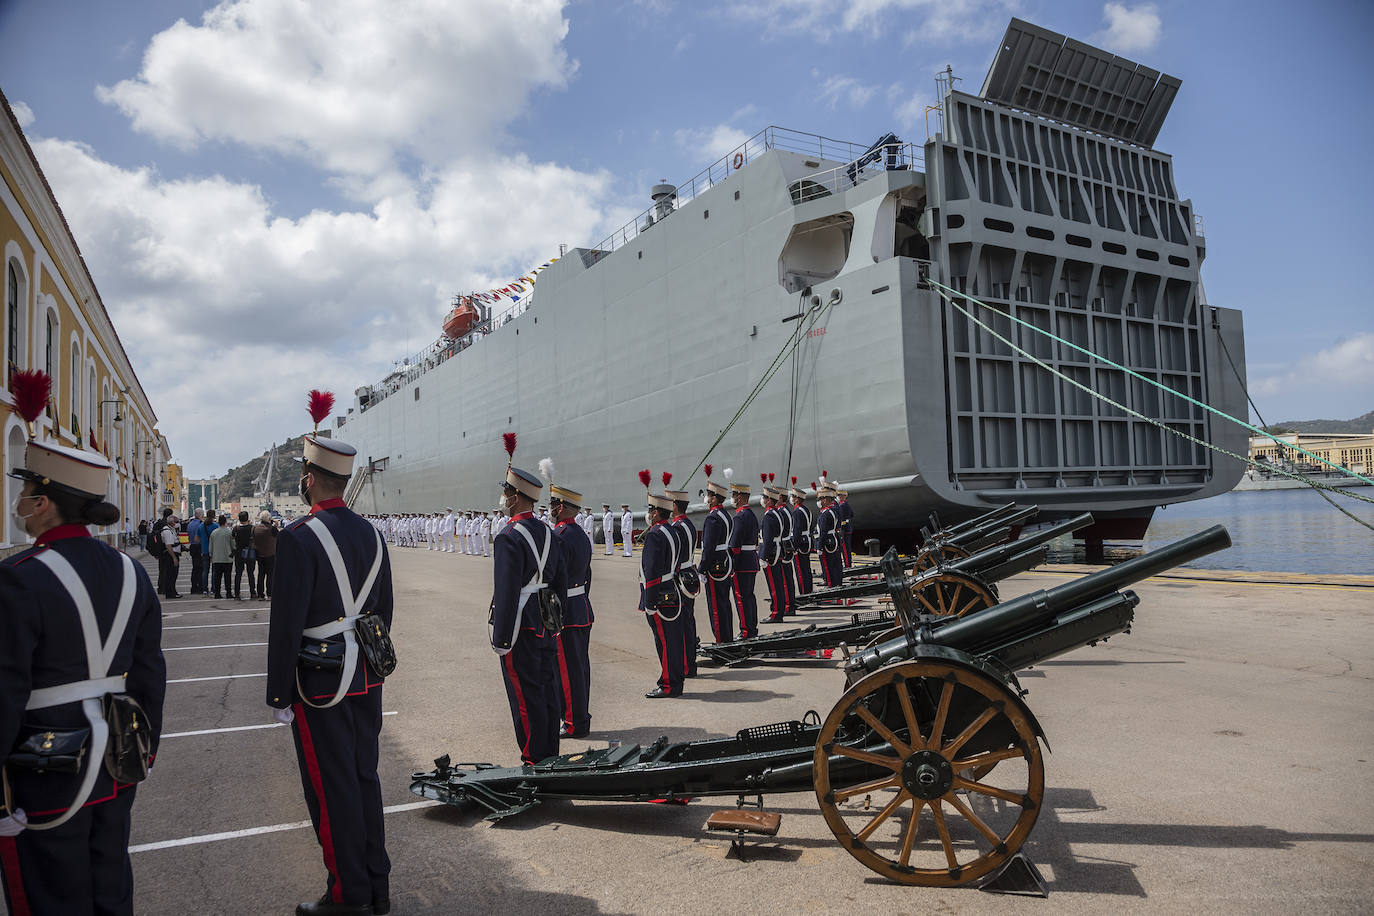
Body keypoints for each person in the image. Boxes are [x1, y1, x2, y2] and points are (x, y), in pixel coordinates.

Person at [0, 432, 166, 916]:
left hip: (45, 762)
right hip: (119, 753)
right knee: (109, 885)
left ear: (43, 503)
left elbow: (6, 689)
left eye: (24, 491)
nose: (18, 501)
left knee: (51, 894)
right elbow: (150, 673)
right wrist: (146, 749)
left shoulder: (20, 576)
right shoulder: (131, 572)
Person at [266, 431, 394, 916]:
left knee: (331, 789)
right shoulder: (372, 534)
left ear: (308, 478)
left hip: (320, 681)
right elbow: (383, 611)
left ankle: (347, 894)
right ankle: (376, 887)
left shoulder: (298, 537)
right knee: (364, 779)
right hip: (367, 676)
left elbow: (286, 624)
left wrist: (280, 694)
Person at [490, 464, 566, 764]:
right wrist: (557, 621)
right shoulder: (549, 532)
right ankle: (550, 753)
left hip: (521, 625)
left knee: (524, 695)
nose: (503, 497)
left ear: (516, 496)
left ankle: (533, 757)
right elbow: (559, 583)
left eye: (506, 492)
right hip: (546, 620)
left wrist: (501, 638)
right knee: (547, 688)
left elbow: (506, 591)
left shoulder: (509, 536)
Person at [549, 483, 593, 738]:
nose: (551, 509)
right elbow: (587, 575)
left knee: (567, 672)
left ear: (561, 507)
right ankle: (579, 718)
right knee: (579, 668)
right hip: (581, 607)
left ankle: (573, 722)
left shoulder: (559, 535)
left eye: (553, 504)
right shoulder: (580, 534)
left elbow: (555, 578)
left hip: (565, 612)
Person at [640, 491, 685, 697]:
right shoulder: (672, 531)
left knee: (665, 642)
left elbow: (652, 571)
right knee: (672, 640)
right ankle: (676, 681)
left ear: (656, 512)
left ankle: (668, 684)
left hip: (659, 593)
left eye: (651, 510)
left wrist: (649, 602)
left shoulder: (654, 535)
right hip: (672, 588)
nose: (649, 514)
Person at [666, 488, 700, 677]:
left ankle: (687, 665)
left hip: (680, 578)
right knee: (688, 621)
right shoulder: (689, 524)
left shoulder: (677, 528)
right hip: (689, 574)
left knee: (682, 624)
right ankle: (690, 663)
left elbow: (675, 556)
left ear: (674, 506)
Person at [699, 472, 734, 643]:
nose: (706, 498)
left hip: (715, 565)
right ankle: (727, 637)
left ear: (714, 498)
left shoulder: (712, 518)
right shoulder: (726, 515)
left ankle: (721, 640)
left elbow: (709, 547)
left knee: (716, 605)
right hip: (725, 561)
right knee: (724, 603)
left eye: (708, 495)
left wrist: (702, 568)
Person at [728, 479, 760, 639]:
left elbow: (735, 546)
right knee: (749, 597)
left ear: (739, 497)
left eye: (734, 495)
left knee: (741, 598)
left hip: (741, 563)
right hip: (751, 560)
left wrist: (731, 564)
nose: (732, 498)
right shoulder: (751, 515)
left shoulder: (739, 517)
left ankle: (746, 631)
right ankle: (752, 628)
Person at [760, 484, 794, 622]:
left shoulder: (769, 516)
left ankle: (776, 613)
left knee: (774, 585)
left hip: (772, 553)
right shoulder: (777, 513)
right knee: (778, 583)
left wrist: (763, 556)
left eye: (764, 497)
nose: (762, 500)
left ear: (769, 500)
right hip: (778, 550)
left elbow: (768, 539)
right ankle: (779, 610)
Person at [816, 485, 844, 589]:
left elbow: (823, 531)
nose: (820, 501)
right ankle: (837, 583)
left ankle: (830, 585)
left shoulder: (825, 514)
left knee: (828, 566)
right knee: (835, 564)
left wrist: (819, 546)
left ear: (825, 500)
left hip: (828, 541)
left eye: (821, 499)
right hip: (833, 539)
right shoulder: (831, 511)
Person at [790, 486, 814, 597]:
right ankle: (809, 590)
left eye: (793, 496)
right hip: (806, 540)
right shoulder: (806, 510)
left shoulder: (797, 512)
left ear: (797, 499)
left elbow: (797, 530)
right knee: (806, 568)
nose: (791, 499)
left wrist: (794, 546)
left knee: (800, 570)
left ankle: (804, 593)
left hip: (800, 543)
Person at [231, 510, 258, 600]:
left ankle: (237, 593)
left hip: (239, 553)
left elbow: (232, 537)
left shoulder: (236, 528)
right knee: (250, 573)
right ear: (248, 518)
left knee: (238, 573)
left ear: (239, 519)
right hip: (250, 552)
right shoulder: (252, 528)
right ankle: (253, 592)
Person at [254, 510, 278, 599]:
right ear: (268, 518)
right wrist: (275, 525)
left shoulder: (255, 528)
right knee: (270, 575)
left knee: (261, 574)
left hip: (259, 554)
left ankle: (260, 594)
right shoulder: (272, 529)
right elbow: (278, 536)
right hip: (270, 554)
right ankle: (269, 593)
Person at [158, 510, 182, 599]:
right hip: (170, 555)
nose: (177, 523)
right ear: (171, 522)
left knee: (173, 575)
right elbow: (168, 546)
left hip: (173, 554)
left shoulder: (171, 530)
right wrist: (174, 558)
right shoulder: (167, 531)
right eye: (176, 522)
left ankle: (173, 591)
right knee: (171, 575)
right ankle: (170, 593)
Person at [209, 514, 234, 598]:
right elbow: (233, 545)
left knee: (217, 577)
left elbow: (211, 546)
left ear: (218, 522)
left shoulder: (214, 533)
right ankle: (228, 593)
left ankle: (217, 593)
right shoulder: (229, 532)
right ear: (225, 522)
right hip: (227, 558)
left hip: (217, 558)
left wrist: (211, 555)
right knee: (228, 577)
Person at [187, 508, 206, 594]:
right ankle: (200, 587)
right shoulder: (201, 524)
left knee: (195, 568)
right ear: (201, 515)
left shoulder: (190, 524)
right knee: (201, 568)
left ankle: (194, 587)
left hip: (192, 546)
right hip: (199, 546)